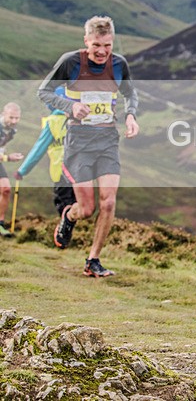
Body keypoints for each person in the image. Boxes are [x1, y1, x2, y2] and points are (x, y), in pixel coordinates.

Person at [38, 16, 139, 277]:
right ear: (86, 41)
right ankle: (68, 218)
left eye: (107, 45)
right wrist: (70, 106)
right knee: (86, 209)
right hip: (78, 142)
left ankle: (93, 260)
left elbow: (130, 94)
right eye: (96, 45)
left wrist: (130, 115)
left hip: (107, 141)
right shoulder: (71, 62)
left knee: (108, 203)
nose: (102, 51)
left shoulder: (119, 64)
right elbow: (44, 91)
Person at [14, 86, 77, 222]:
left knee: (63, 203)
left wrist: (22, 170)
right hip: (81, 171)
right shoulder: (79, 117)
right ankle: (79, 233)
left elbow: (39, 149)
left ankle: (68, 234)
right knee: (79, 204)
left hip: (61, 172)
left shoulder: (52, 121)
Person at [0, 103, 24, 236]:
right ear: (3, 114)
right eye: (11, 118)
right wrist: (8, 158)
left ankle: (0, 224)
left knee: (6, 189)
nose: (14, 121)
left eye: (17, 118)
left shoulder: (12, 130)